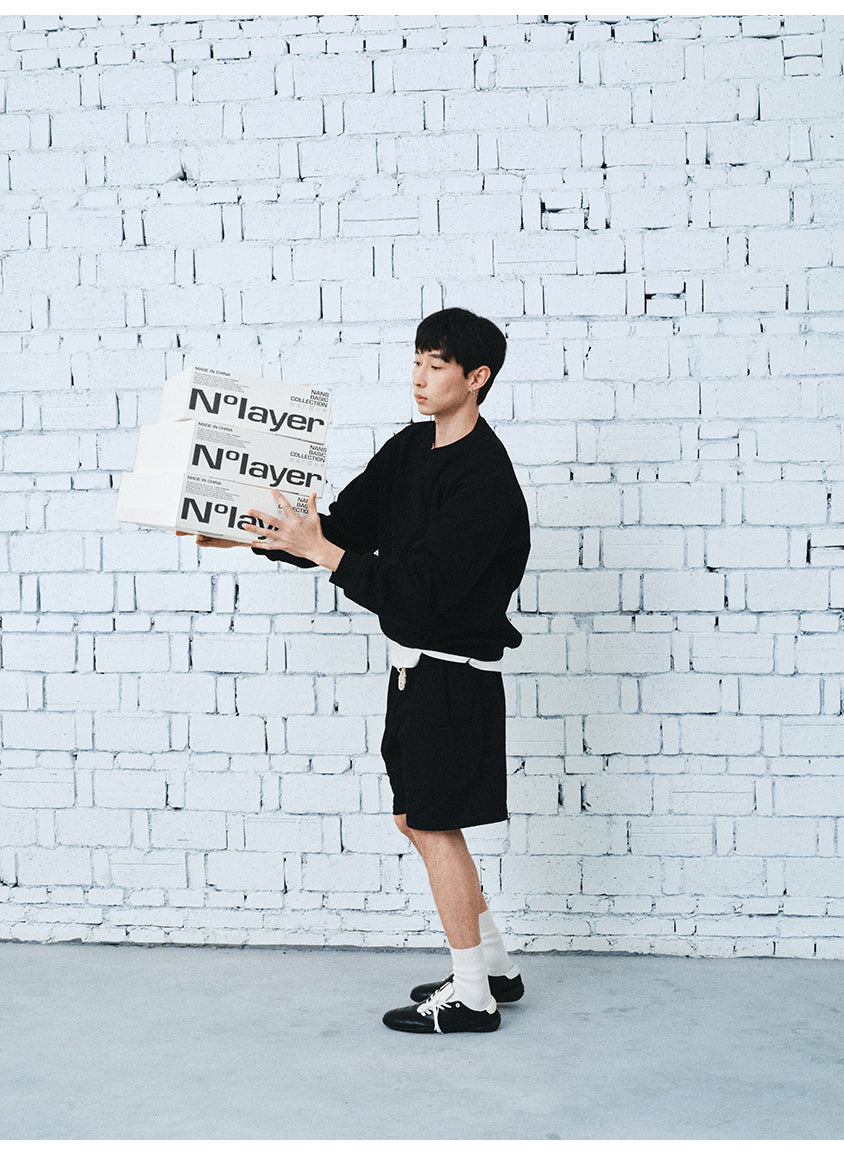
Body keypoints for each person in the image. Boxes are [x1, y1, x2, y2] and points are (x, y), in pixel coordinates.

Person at [194, 307, 531, 1034]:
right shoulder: (409, 450)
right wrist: (252, 533)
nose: (419, 376)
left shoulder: (485, 480)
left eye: (437, 365)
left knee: (435, 827)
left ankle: (473, 995)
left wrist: (320, 552)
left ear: (477, 378)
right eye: (417, 359)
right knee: (417, 819)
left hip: (454, 677)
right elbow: (339, 530)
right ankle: (495, 967)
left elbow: (418, 589)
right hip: (414, 672)